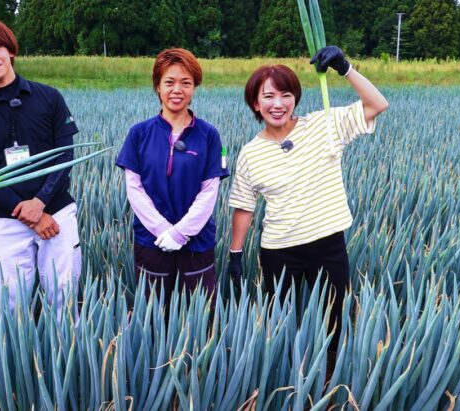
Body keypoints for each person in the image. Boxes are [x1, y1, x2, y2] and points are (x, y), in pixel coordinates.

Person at [228, 46, 389, 352]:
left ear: (295, 99)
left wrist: (345, 68)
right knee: (278, 325)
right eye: (268, 96)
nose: (278, 104)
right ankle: (284, 382)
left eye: (285, 95)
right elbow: (244, 205)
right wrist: (236, 253)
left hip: (327, 245)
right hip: (278, 251)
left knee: (335, 324)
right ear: (255, 103)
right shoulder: (250, 152)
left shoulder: (324, 125)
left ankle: (330, 383)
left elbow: (377, 104)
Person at [0, 17, 81, 318]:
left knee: (63, 299)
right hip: (6, 222)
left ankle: (67, 361)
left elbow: (66, 157)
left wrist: (40, 203)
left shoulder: (49, 98)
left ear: (10, 50)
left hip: (57, 213)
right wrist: (28, 214)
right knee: (11, 307)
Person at [116, 48, 228, 305]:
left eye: (185, 83)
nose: (177, 90)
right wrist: (163, 230)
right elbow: (134, 189)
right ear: (158, 86)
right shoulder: (139, 133)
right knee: (153, 315)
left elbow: (210, 190)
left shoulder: (209, 135)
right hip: (151, 240)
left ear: (194, 88)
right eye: (169, 82)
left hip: (197, 242)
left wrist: (180, 233)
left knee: (200, 316)